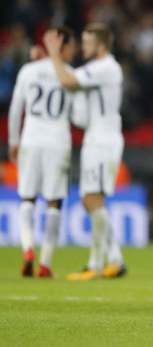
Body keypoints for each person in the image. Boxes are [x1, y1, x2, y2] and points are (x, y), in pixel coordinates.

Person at [48, 23, 127, 281]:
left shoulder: (106, 67)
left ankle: (96, 264)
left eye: (87, 42)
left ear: (101, 46)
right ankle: (115, 258)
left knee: (92, 199)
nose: (83, 46)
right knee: (90, 199)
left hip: (104, 140)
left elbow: (67, 79)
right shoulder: (98, 69)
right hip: (97, 138)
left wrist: (54, 55)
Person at [8, 27, 82, 278]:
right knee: (54, 202)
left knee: (27, 198)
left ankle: (28, 251)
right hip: (57, 143)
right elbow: (79, 117)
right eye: (72, 46)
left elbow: (16, 108)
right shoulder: (71, 76)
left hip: (30, 139)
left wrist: (13, 140)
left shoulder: (29, 70)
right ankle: (45, 264)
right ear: (63, 46)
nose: (75, 51)